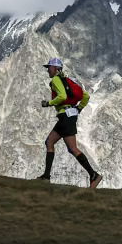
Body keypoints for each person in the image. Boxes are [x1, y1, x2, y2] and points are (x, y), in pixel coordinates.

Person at [39, 57, 103, 188]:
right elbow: (86, 96)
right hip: (70, 116)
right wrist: (79, 108)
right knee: (50, 142)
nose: (48, 71)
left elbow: (61, 96)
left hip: (65, 117)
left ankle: (93, 175)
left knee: (72, 149)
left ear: (56, 69)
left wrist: (49, 103)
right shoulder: (69, 80)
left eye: (49, 68)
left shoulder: (56, 80)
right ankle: (46, 176)